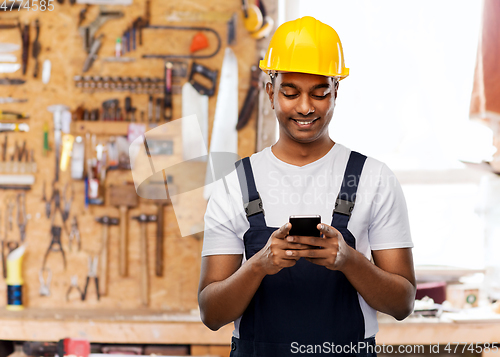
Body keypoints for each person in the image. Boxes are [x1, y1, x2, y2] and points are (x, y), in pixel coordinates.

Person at [198, 16, 416, 357]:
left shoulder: (374, 178)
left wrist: (349, 261)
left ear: (335, 91)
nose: (304, 107)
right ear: (270, 91)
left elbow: (402, 303)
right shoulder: (234, 184)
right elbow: (211, 313)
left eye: (319, 93)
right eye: (290, 92)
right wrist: (259, 264)